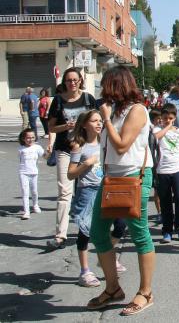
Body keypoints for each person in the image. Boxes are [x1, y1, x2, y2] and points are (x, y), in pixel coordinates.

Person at [87, 67, 155, 316]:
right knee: (97, 232)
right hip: (111, 178)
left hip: (134, 176)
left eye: (106, 84)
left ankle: (145, 292)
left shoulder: (137, 110)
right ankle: (113, 287)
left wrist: (106, 119)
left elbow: (123, 145)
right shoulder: (113, 110)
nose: (102, 90)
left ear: (117, 86)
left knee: (139, 234)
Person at [46, 68, 96, 249]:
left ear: (80, 80)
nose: (72, 83)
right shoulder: (58, 100)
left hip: (85, 150)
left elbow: (97, 122)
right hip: (65, 150)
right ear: (64, 82)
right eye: (69, 80)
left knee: (90, 189)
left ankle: (88, 229)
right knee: (64, 192)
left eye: (75, 80)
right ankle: (60, 235)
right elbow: (51, 127)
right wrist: (66, 126)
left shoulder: (88, 99)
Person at [67, 110, 104, 287]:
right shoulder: (78, 146)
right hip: (87, 191)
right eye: (94, 121)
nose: (99, 123)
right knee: (85, 231)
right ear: (84, 124)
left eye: (100, 120)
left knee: (116, 226)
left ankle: (107, 260)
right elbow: (70, 174)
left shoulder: (105, 142)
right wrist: (86, 163)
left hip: (105, 189)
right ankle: (84, 271)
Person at [153, 104, 179, 243]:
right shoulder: (157, 129)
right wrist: (167, 127)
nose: (167, 120)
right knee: (165, 201)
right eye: (165, 118)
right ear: (161, 118)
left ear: (174, 118)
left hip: (177, 169)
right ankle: (167, 230)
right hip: (162, 170)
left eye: (170, 118)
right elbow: (156, 138)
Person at [18, 127, 44, 220]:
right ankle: (26, 212)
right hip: (23, 173)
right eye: (28, 138)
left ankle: (35, 205)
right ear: (23, 138)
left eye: (32, 137)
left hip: (34, 173)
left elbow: (45, 156)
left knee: (34, 191)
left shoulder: (37, 147)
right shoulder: (21, 149)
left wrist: (49, 152)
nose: (30, 139)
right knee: (25, 192)